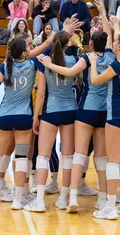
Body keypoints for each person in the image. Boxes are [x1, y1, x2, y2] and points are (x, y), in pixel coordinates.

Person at [36, 2, 113, 213]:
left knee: (71, 155)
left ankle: (67, 198)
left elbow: (42, 92)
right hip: (96, 111)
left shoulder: (83, 59)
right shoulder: (108, 56)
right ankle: (100, 199)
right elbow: (108, 38)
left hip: (75, 111)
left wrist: (49, 62)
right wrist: (104, 14)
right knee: (98, 158)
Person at [0, 37, 40, 209]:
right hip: (24, 118)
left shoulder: (4, 66)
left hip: (4, 117)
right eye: (28, 46)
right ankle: (18, 200)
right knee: (21, 159)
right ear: (24, 53)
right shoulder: (33, 64)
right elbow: (44, 51)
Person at [84, 28, 120, 220]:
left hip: (115, 115)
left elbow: (95, 81)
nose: (112, 45)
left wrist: (92, 63)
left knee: (113, 161)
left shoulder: (117, 65)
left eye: (115, 43)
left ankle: (110, 207)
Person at [24, 32, 78, 213]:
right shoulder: (73, 60)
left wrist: (35, 116)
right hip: (70, 110)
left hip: (51, 110)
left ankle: (39, 201)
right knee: (68, 156)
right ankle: (64, 198)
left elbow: (40, 93)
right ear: (67, 44)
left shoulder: (43, 62)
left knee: (43, 156)